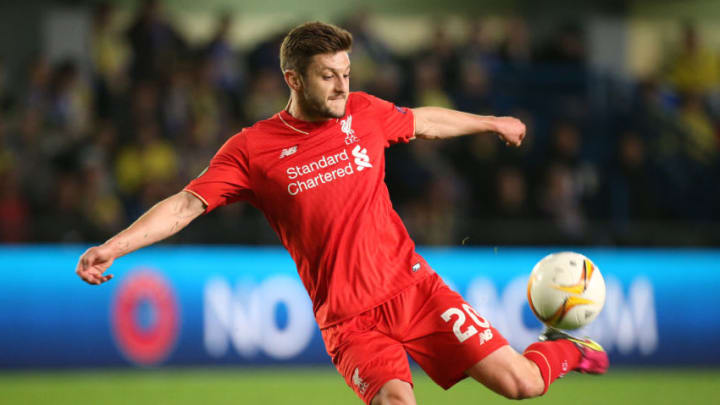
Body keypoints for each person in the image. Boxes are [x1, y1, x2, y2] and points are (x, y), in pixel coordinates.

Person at [76, 21, 608, 405]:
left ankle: (563, 349)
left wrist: (490, 121)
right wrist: (114, 245)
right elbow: (187, 204)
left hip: (413, 289)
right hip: (350, 322)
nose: (342, 85)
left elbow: (422, 120)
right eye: (328, 75)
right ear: (293, 79)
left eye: (346, 72)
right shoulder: (252, 149)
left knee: (522, 385)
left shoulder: (364, 113)